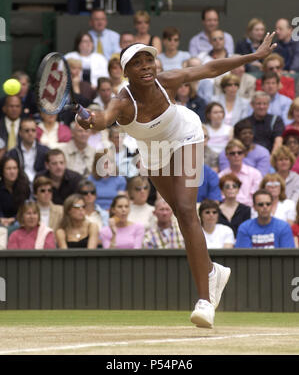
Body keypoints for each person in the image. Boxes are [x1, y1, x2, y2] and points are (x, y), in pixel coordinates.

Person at [76, 33, 276, 328]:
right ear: (125, 71)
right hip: (153, 151)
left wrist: (252, 56)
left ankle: (205, 301)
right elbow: (102, 119)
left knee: (185, 208)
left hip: (186, 136)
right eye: (137, 62)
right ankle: (212, 271)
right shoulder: (121, 102)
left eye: (149, 60)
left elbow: (209, 69)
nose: (146, 66)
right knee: (183, 217)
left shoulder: (166, 80)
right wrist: (88, 120)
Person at [218, 139, 262, 207]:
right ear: (227, 155)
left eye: (239, 153)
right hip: (228, 210)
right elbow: (221, 197)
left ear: (244, 154)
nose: (236, 155)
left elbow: (256, 197)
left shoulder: (255, 174)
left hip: (250, 210)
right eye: (232, 153)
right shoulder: (220, 176)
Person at [8, 117, 49, 184]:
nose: (30, 133)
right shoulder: (12, 153)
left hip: (41, 185)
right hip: (19, 185)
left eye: (33, 130)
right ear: (20, 133)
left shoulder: (45, 151)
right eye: (27, 130)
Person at [0, 155, 30, 231]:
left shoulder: (24, 187)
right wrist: (1, 219)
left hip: (19, 221)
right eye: (8, 169)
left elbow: (25, 207)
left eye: (15, 168)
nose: (12, 171)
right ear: (2, 171)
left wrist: (14, 219)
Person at [218, 173, 251, 237]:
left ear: (238, 190)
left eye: (234, 186)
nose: (231, 188)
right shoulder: (215, 210)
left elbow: (247, 231)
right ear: (222, 190)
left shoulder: (246, 210)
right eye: (227, 186)